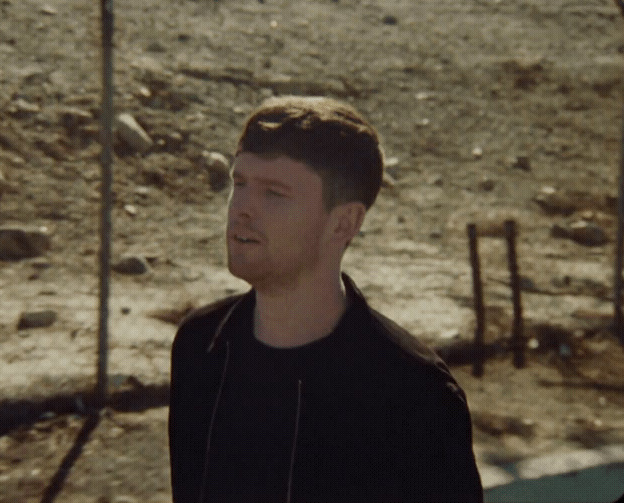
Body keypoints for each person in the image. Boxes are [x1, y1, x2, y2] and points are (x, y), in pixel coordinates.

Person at [168, 95, 483, 503]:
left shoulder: (413, 394)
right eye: (239, 183)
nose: (241, 208)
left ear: (344, 222)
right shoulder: (201, 346)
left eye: (274, 193)